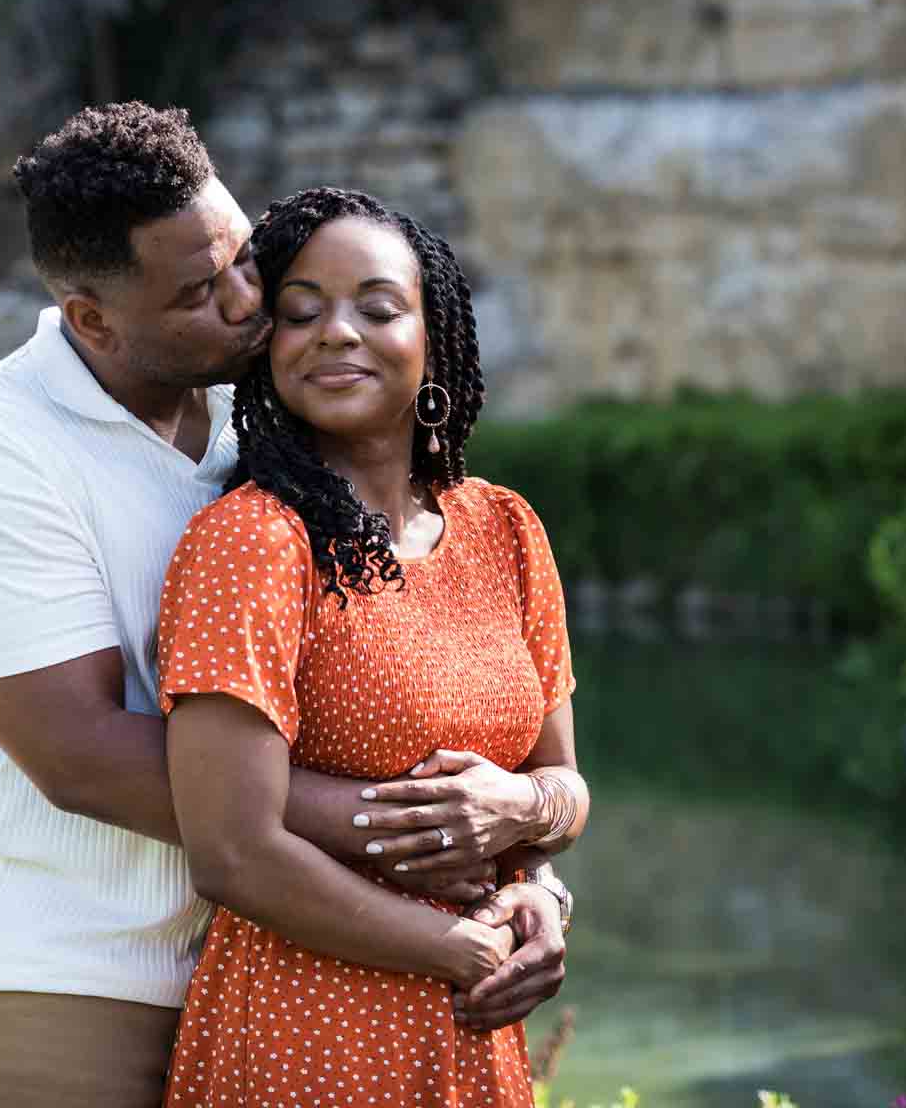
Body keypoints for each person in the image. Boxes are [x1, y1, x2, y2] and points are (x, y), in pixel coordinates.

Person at [0, 106, 568, 1108]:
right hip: (74, 981)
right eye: (203, 292)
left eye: (245, 257)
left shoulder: (255, 428)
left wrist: (527, 843)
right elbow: (81, 756)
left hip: (280, 957)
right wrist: (424, 834)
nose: (249, 302)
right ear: (94, 319)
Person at [156, 186, 590, 1107]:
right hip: (306, 1034)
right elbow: (231, 850)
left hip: (475, 1031)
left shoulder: (505, 530)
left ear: (435, 336)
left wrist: (537, 884)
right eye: (299, 313)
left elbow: (563, 785)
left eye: (377, 308)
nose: (335, 334)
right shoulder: (254, 542)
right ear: (266, 348)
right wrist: (452, 945)